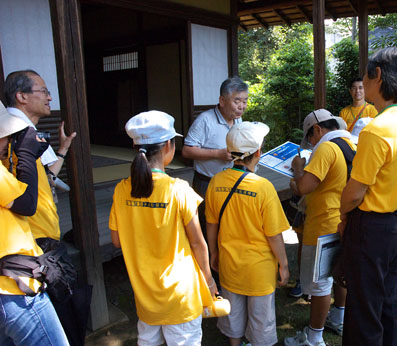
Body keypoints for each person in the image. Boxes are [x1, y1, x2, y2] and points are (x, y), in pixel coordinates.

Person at [337, 47, 397, 345]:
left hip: (371, 229)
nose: (362, 80)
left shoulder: (377, 130)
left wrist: (342, 213)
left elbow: (354, 192)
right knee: (387, 303)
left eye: (365, 74)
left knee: (364, 310)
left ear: (376, 76)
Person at [109, 111, 217, 346]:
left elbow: (117, 241)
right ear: (169, 145)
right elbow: (198, 243)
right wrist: (209, 282)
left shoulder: (121, 190)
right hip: (180, 296)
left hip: (145, 295)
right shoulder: (179, 189)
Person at [205, 121, 290, 346]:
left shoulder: (216, 182)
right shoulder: (263, 187)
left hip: (229, 263)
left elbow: (211, 224)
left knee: (233, 312)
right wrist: (284, 265)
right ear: (258, 153)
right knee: (261, 319)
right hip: (259, 269)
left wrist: (213, 252)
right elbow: (274, 235)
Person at [0, 101, 69, 346]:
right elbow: (26, 204)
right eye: (6, 136)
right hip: (13, 289)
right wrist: (27, 155)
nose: (8, 141)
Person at [285, 109, 356, 346]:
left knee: (320, 283)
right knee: (339, 274)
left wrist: (297, 168)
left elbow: (304, 186)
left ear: (317, 130)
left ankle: (314, 337)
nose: (311, 143)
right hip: (344, 219)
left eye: (310, 138)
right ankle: (339, 317)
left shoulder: (325, 148)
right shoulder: (349, 142)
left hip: (324, 222)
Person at [4, 69, 77, 241]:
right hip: (32, 233)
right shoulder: (21, 132)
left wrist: (63, 149)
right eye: (44, 91)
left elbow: (47, 176)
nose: (49, 98)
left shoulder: (18, 127)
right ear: (21, 97)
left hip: (33, 230)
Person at [182, 76, 248, 239]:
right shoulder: (205, 120)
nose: (242, 106)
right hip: (207, 183)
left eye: (245, 101)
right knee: (208, 228)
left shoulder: (238, 119)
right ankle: (210, 262)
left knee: (229, 226)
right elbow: (187, 150)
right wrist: (217, 154)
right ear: (222, 100)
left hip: (233, 182)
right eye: (237, 101)